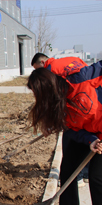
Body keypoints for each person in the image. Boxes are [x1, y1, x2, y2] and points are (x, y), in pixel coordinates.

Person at [27, 64, 102, 205]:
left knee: (97, 177)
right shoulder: (59, 104)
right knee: (67, 169)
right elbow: (71, 129)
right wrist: (90, 140)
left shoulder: (80, 78)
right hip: (87, 134)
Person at [31, 53, 89, 186]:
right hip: (89, 104)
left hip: (77, 109)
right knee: (88, 139)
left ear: (42, 62)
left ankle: (77, 177)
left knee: (71, 143)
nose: (38, 73)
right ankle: (86, 173)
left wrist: (51, 125)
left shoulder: (51, 71)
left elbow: (54, 101)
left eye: (37, 69)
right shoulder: (71, 60)